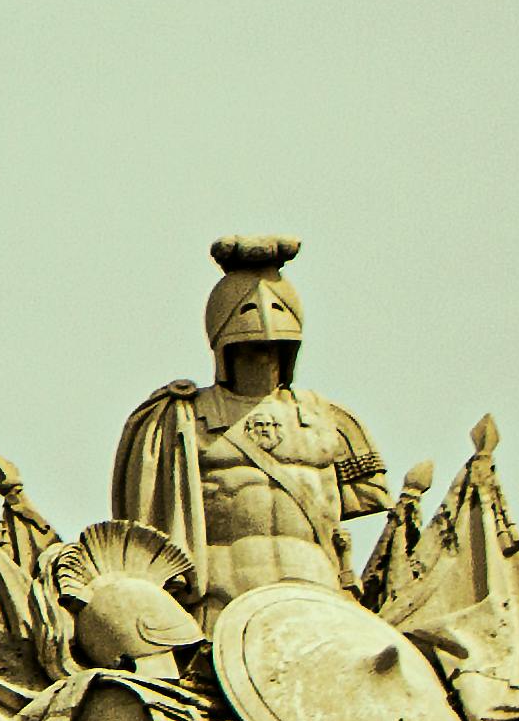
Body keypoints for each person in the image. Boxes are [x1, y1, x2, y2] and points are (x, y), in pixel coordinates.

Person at [108, 236, 391, 603]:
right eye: (250, 349)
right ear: (223, 342)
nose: (262, 355)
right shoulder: (179, 419)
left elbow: (368, 498)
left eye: (271, 349)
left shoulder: (331, 421)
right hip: (220, 601)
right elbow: (144, 529)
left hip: (321, 600)